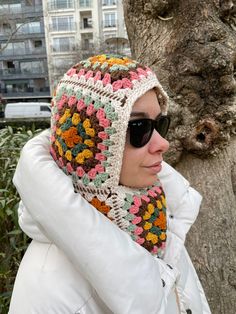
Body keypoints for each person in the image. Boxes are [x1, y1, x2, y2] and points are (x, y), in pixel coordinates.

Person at [9, 54, 211, 314]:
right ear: (88, 147)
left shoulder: (155, 220)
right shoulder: (49, 287)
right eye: (139, 128)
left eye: (161, 124)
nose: (163, 144)